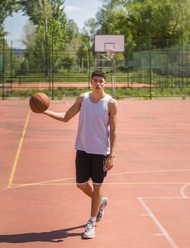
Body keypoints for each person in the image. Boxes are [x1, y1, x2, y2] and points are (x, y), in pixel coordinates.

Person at [43, 70, 118, 239]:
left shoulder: (111, 103)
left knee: (97, 186)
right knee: (81, 184)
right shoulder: (82, 99)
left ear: (105, 83)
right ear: (90, 83)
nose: (98, 83)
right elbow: (65, 117)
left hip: (100, 152)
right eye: (95, 80)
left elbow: (114, 131)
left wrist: (112, 155)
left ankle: (91, 222)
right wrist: (45, 111)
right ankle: (100, 202)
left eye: (101, 81)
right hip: (83, 150)